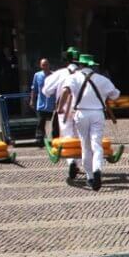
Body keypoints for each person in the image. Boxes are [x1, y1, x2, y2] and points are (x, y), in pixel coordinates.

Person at [57, 54, 119, 191]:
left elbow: (65, 91)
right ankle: (97, 169)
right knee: (96, 144)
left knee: (85, 144)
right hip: (97, 113)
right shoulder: (103, 79)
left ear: (80, 65)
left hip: (81, 113)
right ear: (92, 66)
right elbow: (115, 95)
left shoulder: (73, 78)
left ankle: (90, 177)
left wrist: (60, 107)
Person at [42, 47, 81, 180]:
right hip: (81, 107)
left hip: (63, 108)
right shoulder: (85, 73)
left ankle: (71, 162)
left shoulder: (60, 73)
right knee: (80, 135)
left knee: (67, 135)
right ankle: (79, 163)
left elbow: (46, 90)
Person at [30, 58, 56, 146]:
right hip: (41, 103)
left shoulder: (54, 75)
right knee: (41, 122)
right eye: (43, 65)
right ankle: (39, 140)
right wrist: (32, 100)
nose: (45, 66)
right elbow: (34, 89)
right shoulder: (37, 75)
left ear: (49, 65)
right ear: (41, 66)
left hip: (52, 104)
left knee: (55, 123)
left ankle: (55, 139)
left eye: (46, 64)